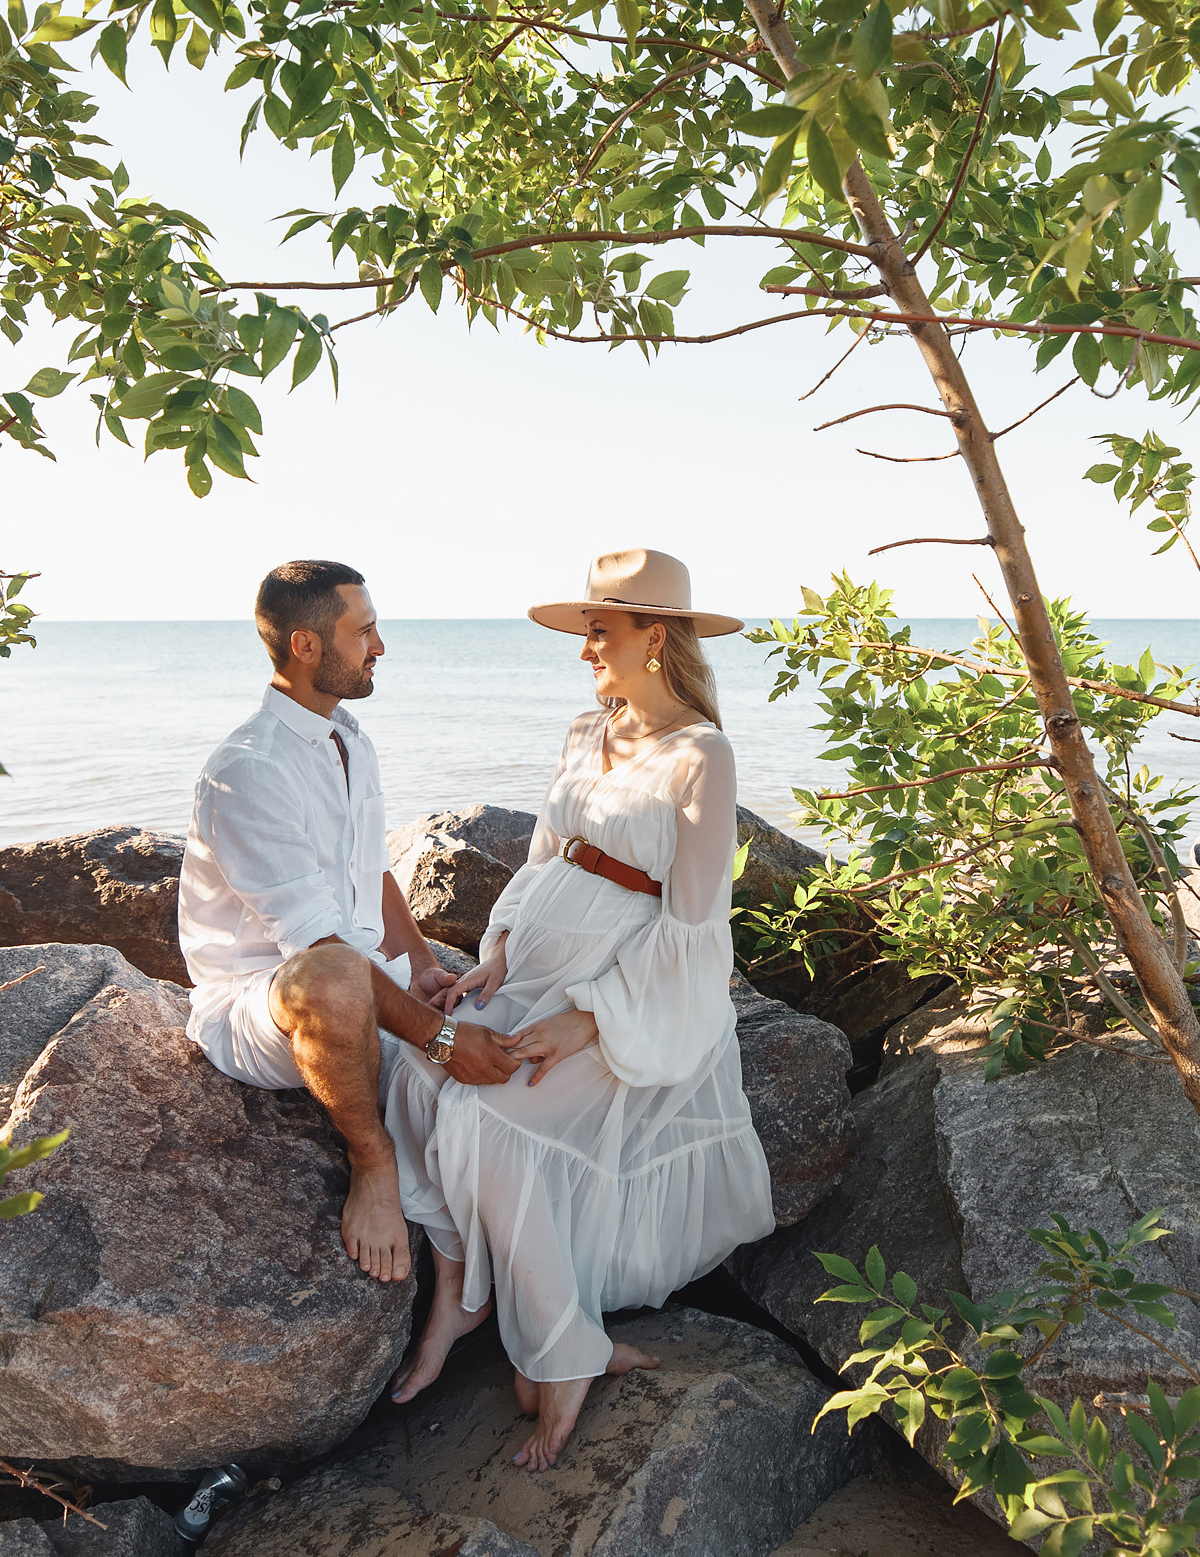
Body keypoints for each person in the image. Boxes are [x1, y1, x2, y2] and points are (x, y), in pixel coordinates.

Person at [379, 548, 776, 1472]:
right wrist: (497, 957)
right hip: (535, 963)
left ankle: (566, 1351)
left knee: (486, 1116)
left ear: (657, 636)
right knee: (411, 1072)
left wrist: (589, 1017)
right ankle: (461, 1285)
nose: (586, 647)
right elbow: (543, 856)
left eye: (602, 629)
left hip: (624, 991)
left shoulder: (702, 756)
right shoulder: (584, 729)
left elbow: (693, 921)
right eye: (588, 629)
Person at [178, 559, 522, 1289]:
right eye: (363, 631)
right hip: (261, 1002)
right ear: (306, 646)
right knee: (341, 979)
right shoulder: (246, 771)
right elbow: (323, 955)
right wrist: (445, 1039)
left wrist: (423, 965)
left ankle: (503, 1296)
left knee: (528, 1035)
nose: (380, 646)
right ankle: (373, 1164)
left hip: (360, 972)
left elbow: (375, 870)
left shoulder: (347, 737)